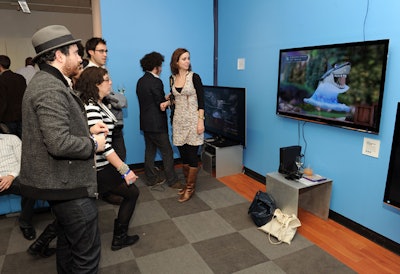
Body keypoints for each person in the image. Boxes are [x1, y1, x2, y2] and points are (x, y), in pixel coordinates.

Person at [20, 25, 107, 273]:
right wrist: (93, 143)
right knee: (86, 258)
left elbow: (53, 130)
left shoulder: (49, 82)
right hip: (69, 187)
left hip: (62, 185)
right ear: (59, 55)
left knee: (68, 246)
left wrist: (87, 131)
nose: (80, 58)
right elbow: (58, 143)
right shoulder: (49, 88)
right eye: (76, 52)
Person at [76, 66, 140, 251]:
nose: (110, 82)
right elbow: (103, 147)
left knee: (73, 211)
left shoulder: (99, 103)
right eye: (107, 80)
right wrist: (124, 169)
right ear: (96, 85)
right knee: (132, 193)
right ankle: (119, 238)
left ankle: (42, 242)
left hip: (102, 166)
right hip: (99, 167)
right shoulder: (92, 108)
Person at [85, 37, 127, 204]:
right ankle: (106, 191)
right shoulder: (87, 74)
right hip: (100, 125)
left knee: (119, 155)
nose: (105, 54)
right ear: (91, 52)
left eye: (106, 51)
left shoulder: (103, 70)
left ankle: (107, 190)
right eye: (101, 51)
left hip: (111, 122)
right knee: (108, 157)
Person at [136, 51, 184, 188]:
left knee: (149, 151)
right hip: (157, 124)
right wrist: (171, 100)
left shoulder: (141, 81)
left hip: (145, 123)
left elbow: (153, 101)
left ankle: (151, 178)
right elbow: (161, 106)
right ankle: (173, 181)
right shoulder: (156, 81)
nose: (161, 68)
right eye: (160, 66)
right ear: (155, 66)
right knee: (167, 152)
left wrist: (165, 98)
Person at [169, 48, 205, 202]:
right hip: (178, 121)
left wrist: (200, 120)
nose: (187, 61)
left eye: (188, 58)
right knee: (183, 155)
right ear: (176, 61)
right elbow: (175, 100)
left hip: (193, 120)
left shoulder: (194, 77)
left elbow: (202, 101)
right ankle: (186, 185)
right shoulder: (172, 78)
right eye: (184, 59)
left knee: (191, 155)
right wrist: (167, 102)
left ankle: (190, 188)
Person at [0, 133, 36, 240]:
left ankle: (25, 223)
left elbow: (24, 161)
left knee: (30, 188)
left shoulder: (11, 138)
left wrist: (11, 176)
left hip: (15, 176)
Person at [0, 55, 27, 138]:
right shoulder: (20, 78)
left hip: (7, 118)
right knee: (23, 144)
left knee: (10, 146)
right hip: (22, 116)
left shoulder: (1, 80)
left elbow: (2, 102)